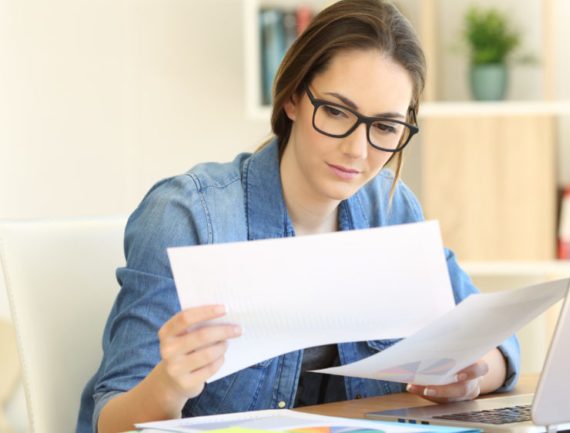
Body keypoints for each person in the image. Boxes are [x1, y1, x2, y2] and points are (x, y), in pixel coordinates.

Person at [77, 1, 521, 432]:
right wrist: (169, 385)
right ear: (292, 98)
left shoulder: (392, 208)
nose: (358, 151)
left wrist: (472, 373)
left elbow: (497, 342)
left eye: (385, 127)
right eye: (336, 111)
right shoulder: (189, 216)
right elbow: (112, 423)